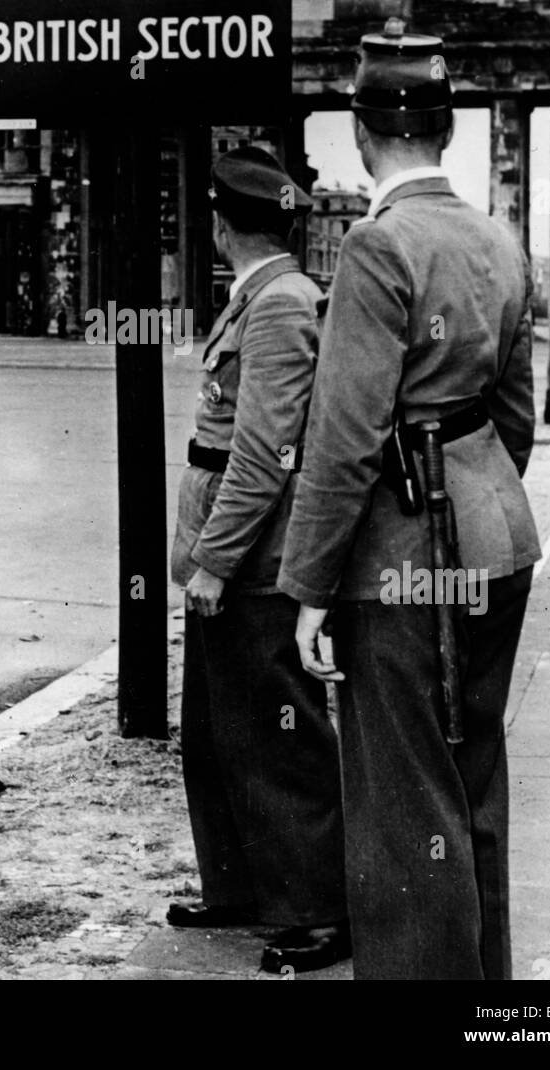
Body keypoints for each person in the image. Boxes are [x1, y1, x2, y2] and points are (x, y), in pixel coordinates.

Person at [277, 20, 541, 981]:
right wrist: (473, 497)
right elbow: (512, 420)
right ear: (447, 129)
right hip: (496, 541)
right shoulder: (497, 241)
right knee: (473, 784)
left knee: (401, 811)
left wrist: (307, 586)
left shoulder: (377, 249)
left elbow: (342, 441)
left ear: (361, 131)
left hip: (401, 562)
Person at [167, 145, 349, 976]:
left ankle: (314, 909)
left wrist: (213, 560)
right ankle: (238, 885)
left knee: (279, 735)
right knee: (215, 730)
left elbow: (265, 452)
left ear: (218, 224)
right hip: (230, 548)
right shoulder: (261, 295)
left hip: (255, 558)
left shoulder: (278, 306)